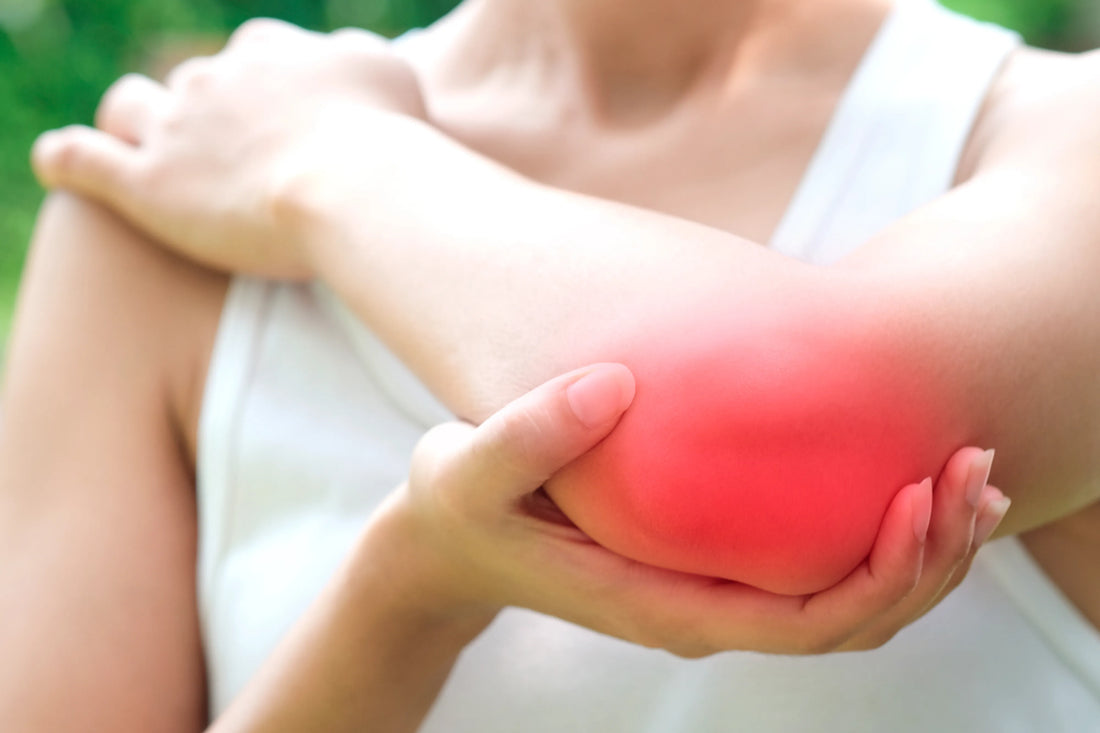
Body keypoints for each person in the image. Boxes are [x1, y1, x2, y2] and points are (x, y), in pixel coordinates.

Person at [5, 0, 1100, 729]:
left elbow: (776, 443)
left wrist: (329, 164)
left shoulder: (1054, 132)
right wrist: (404, 600)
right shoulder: (157, 208)